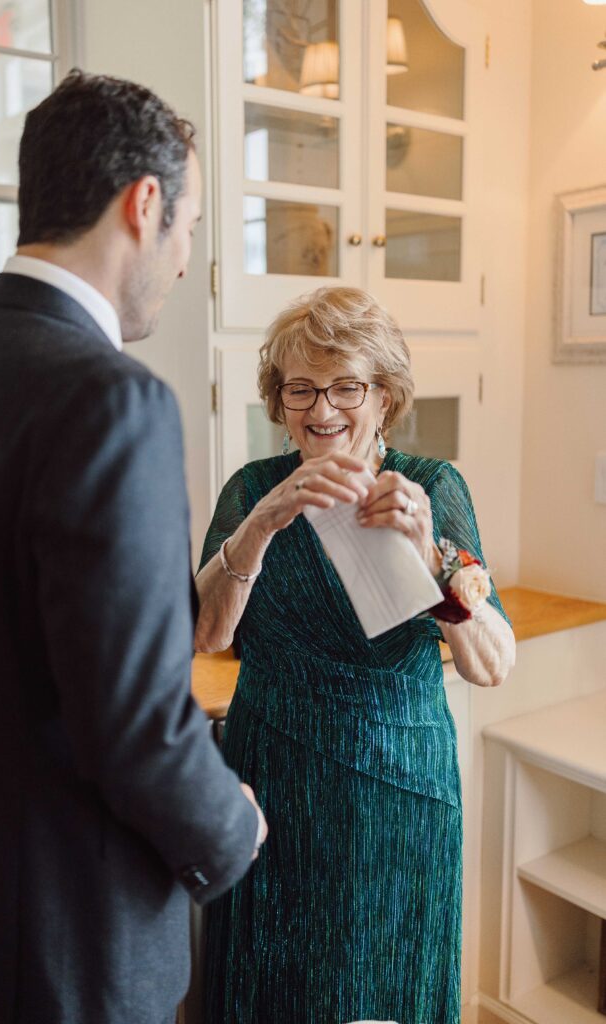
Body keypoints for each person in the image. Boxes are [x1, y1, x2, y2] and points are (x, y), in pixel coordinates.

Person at [0, 69, 266, 1024]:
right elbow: (137, 721)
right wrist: (231, 825)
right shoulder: (114, 400)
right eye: (190, 227)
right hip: (77, 943)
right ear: (143, 204)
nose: (185, 259)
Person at [196, 286, 515, 1024]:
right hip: (271, 780)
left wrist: (429, 556)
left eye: (346, 386)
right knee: (271, 984)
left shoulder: (431, 487)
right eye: (300, 388)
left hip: (396, 790)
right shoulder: (251, 489)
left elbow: (490, 663)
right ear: (278, 401)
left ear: (384, 396)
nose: (322, 409)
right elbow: (206, 634)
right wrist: (260, 525)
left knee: (382, 980)